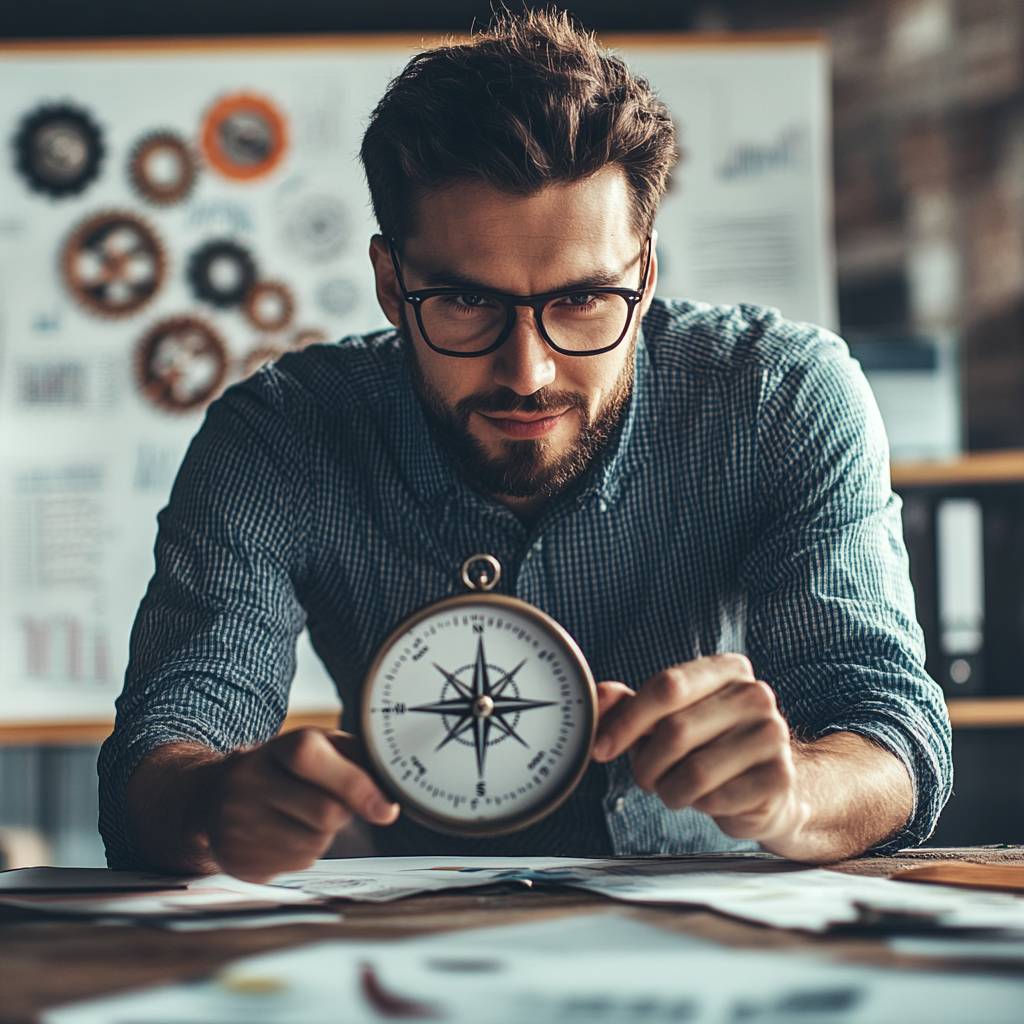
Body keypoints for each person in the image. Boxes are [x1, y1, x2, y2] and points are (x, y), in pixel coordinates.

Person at [98, 9, 951, 882]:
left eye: (584, 300)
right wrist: (209, 804)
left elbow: (890, 729)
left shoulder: (782, 396)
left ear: (646, 275)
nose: (529, 370)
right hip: (412, 945)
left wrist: (798, 793)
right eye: (467, 304)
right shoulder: (280, 435)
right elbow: (161, 749)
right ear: (393, 284)